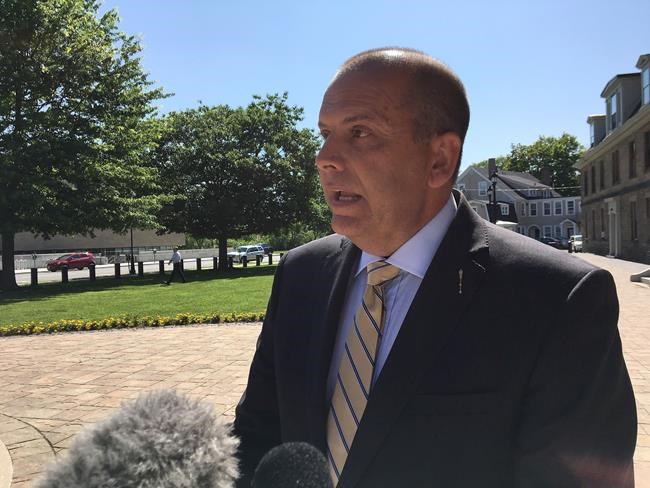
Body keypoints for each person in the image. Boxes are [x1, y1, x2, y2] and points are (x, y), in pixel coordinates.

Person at [233, 48, 636, 487]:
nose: (324, 157)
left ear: (439, 160)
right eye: (325, 134)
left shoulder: (556, 299)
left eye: (360, 132)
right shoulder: (300, 274)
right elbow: (255, 438)